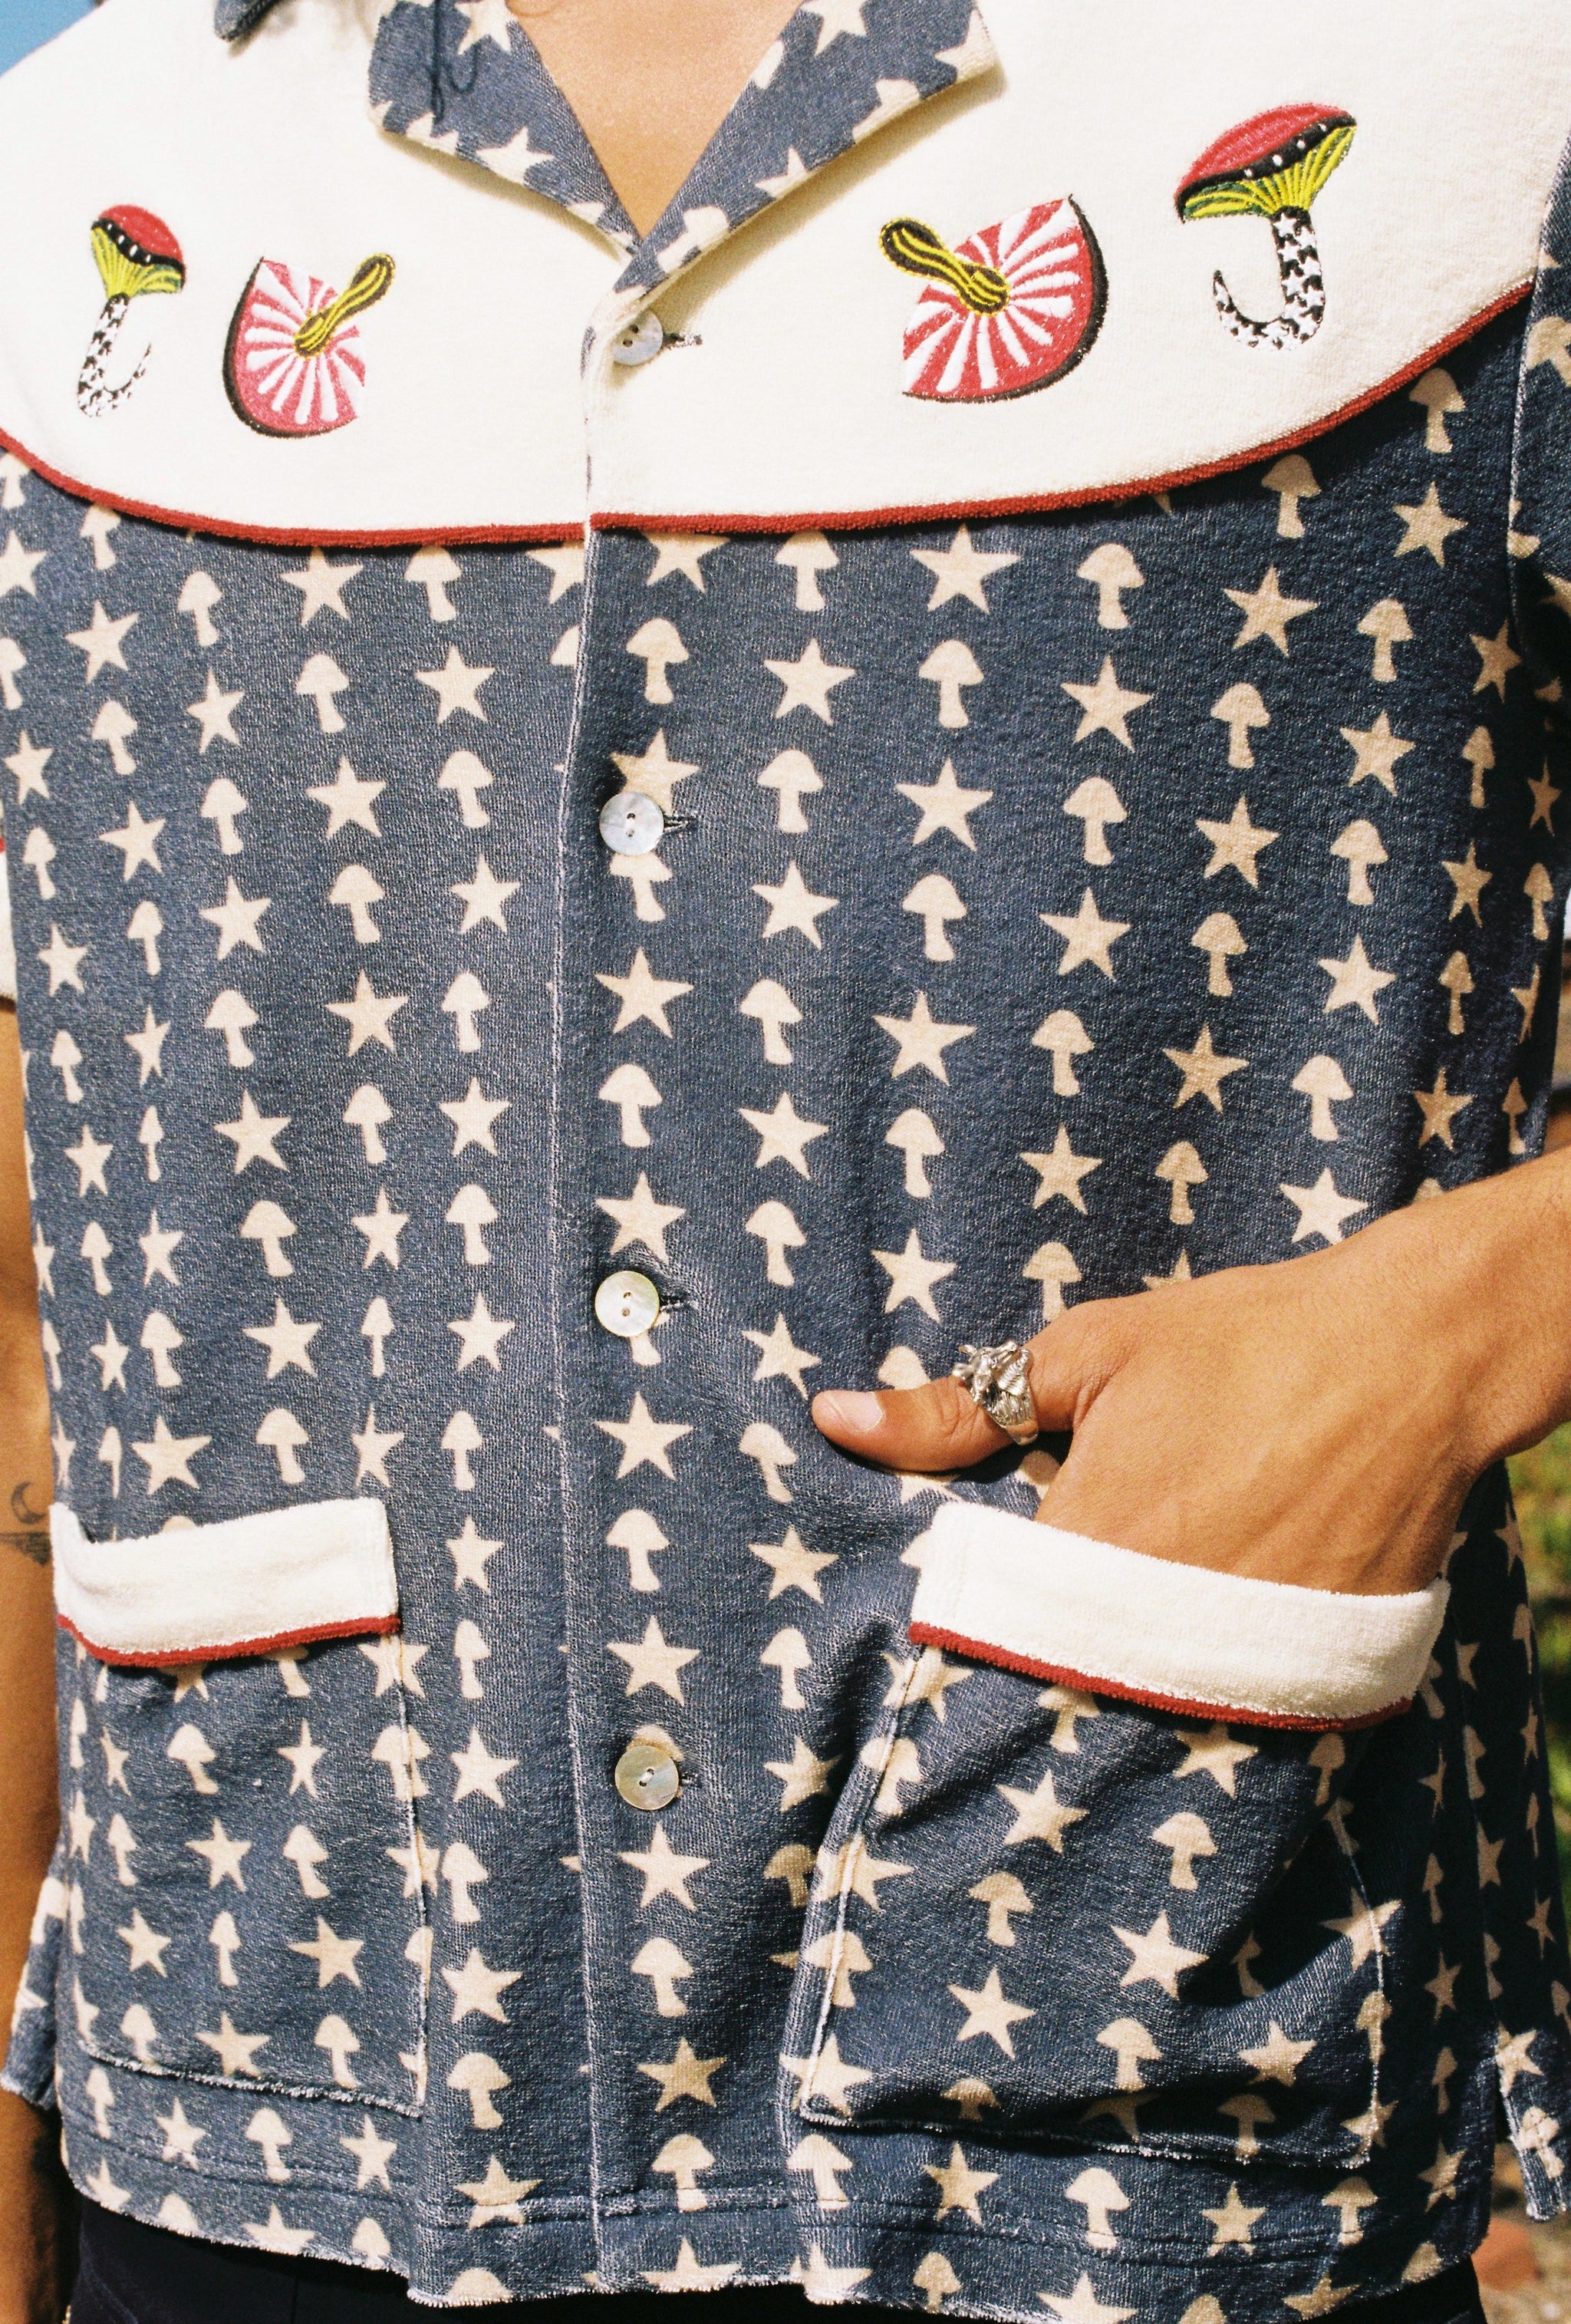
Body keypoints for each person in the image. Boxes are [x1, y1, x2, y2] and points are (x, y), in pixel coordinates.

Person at [4, 0, 1571, 2316]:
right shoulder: (70, 188)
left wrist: (1448, 1329)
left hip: (1147, 2084)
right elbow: (30, 1301)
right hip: (263, 2100)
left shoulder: (1485, 82)